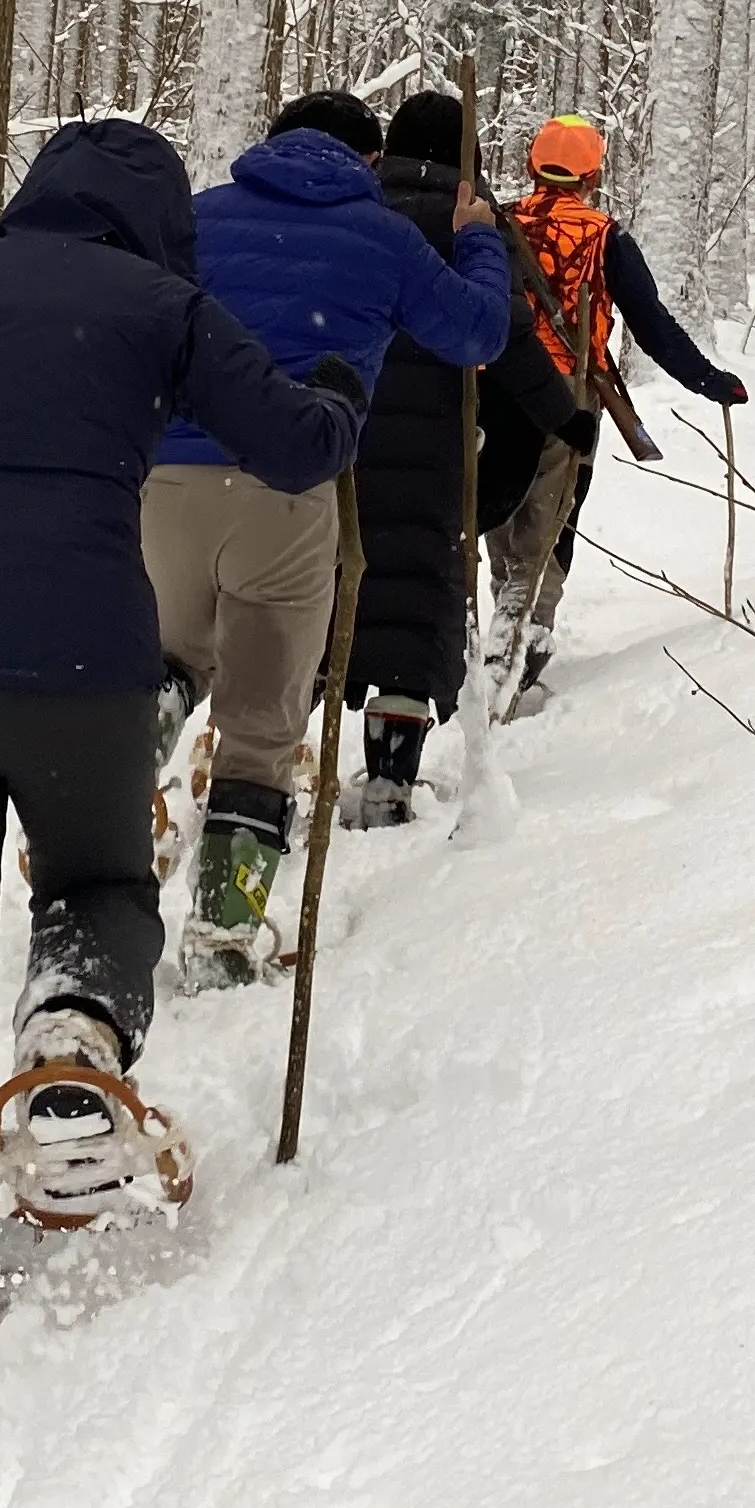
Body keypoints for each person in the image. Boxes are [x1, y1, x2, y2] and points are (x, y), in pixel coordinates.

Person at [0, 118, 357, 1337]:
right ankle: (74, 1030)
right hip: (81, 661)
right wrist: (342, 396)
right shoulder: (161, 305)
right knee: (96, 885)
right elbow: (293, 451)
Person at [148, 91, 511, 984]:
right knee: (262, 726)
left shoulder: (196, 218)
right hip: (290, 494)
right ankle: (223, 933)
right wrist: (476, 238)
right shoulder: (381, 236)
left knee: (162, 668)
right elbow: (477, 332)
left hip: (163, 485)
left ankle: (105, 815)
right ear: (368, 155)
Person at [336, 89, 561, 825]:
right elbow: (511, 337)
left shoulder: (353, 218)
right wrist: (561, 421)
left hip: (342, 444)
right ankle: (390, 777)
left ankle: (258, 779)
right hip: (434, 450)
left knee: (338, 598)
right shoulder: (470, 230)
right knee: (414, 610)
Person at [490, 111, 748, 707]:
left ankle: (500, 618)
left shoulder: (496, 224)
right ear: (593, 176)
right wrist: (711, 382)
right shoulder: (607, 237)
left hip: (491, 389)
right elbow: (651, 328)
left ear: (533, 167)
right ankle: (523, 636)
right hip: (567, 396)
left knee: (498, 511)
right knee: (551, 517)